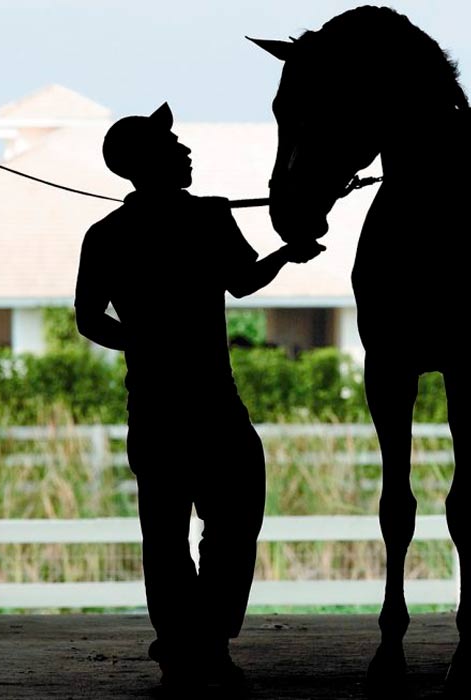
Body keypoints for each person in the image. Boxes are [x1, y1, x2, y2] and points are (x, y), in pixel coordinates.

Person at [74, 102, 323, 689]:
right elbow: (243, 281)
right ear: (149, 162)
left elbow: (89, 319)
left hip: (155, 408)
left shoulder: (108, 234)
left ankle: (184, 644)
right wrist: (286, 254)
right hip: (214, 404)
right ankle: (207, 641)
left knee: (164, 532)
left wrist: (137, 340)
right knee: (233, 524)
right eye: (174, 147)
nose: (186, 152)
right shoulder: (208, 218)